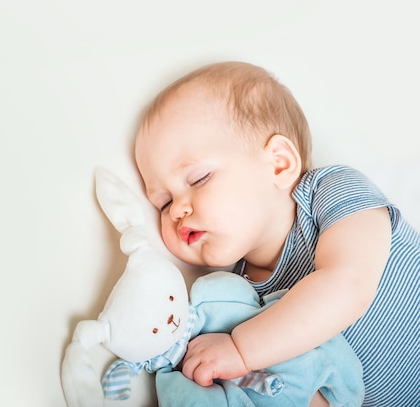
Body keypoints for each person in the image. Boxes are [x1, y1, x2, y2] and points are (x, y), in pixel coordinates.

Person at [133, 61, 419, 407]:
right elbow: (306, 384)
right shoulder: (238, 297)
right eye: (163, 203)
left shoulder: (330, 193)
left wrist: (240, 350)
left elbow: (350, 285)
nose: (177, 209)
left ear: (279, 164)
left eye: (198, 179)